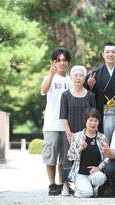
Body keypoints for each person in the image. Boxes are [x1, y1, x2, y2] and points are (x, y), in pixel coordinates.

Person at [40, 48, 73, 196]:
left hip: (67, 126)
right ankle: (52, 184)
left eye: (64, 60)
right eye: (58, 60)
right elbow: (43, 91)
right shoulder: (49, 78)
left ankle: (62, 184)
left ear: (68, 62)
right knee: (51, 157)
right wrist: (51, 74)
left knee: (63, 158)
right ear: (53, 62)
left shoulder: (71, 80)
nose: (62, 63)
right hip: (52, 125)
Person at [60, 65, 96, 196]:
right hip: (71, 130)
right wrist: (68, 132)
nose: (78, 77)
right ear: (71, 78)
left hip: (86, 131)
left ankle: (79, 184)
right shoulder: (65, 95)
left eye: (81, 75)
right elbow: (63, 116)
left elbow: (93, 115)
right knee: (69, 156)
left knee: (84, 156)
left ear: (85, 78)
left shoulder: (90, 95)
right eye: (76, 75)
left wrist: (91, 132)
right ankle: (65, 185)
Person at [85, 42, 115, 145]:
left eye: (113, 52)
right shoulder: (95, 74)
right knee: (102, 141)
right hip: (101, 112)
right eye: (107, 52)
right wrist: (90, 87)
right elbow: (87, 93)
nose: (110, 54)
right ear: (103, 54)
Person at [67, 107, 108, 198]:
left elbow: (107, 158)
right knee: (86, 193)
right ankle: (81, 190)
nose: (93, 123)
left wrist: (98, 168)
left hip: (94, 174)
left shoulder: (102, 137)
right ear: (85, 121)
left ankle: (91, 190)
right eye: (90, 120)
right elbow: (69, 156)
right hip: (80, 174)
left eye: (96, 120)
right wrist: (80, 148)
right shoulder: (77, 136)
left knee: (100, 177)